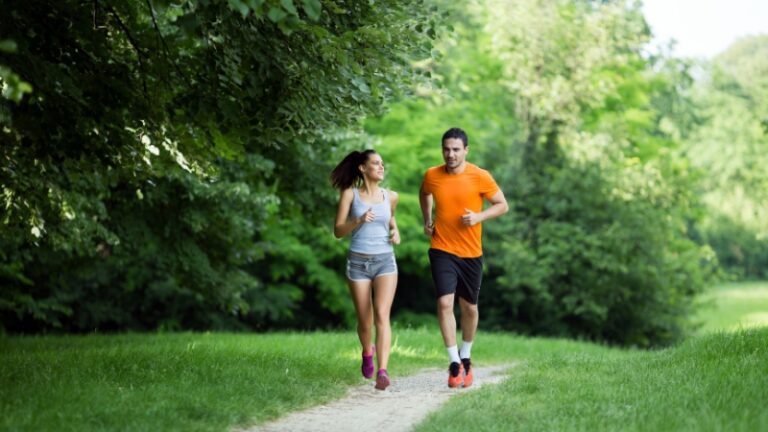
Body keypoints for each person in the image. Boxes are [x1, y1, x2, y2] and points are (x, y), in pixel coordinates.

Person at [419, 127, 508, 388]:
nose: (450, 154)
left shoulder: (480, 176)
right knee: (445, 303)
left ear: (466, 151)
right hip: (442, 248)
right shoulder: (432, 175)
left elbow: (502, 204)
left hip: (471, 252)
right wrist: (427, 219)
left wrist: (479, 217)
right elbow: (424, 193)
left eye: (456, 149)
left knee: (469, 307)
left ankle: (466, 355)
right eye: (446, 149)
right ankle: (454, 363)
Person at [331, 149, 400, 391]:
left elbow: (390, 218)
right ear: (363, 168)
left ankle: (383, 371)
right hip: (358, 262)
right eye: (375, 163)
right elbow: (338, 231)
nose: (381, 167)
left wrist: (396, 230)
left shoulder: (390, 196)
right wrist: (358, 221)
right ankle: (366, 352)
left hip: (385, 261)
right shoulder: (350, 195)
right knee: (365, 320)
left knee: (382, 315)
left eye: (382, 163)